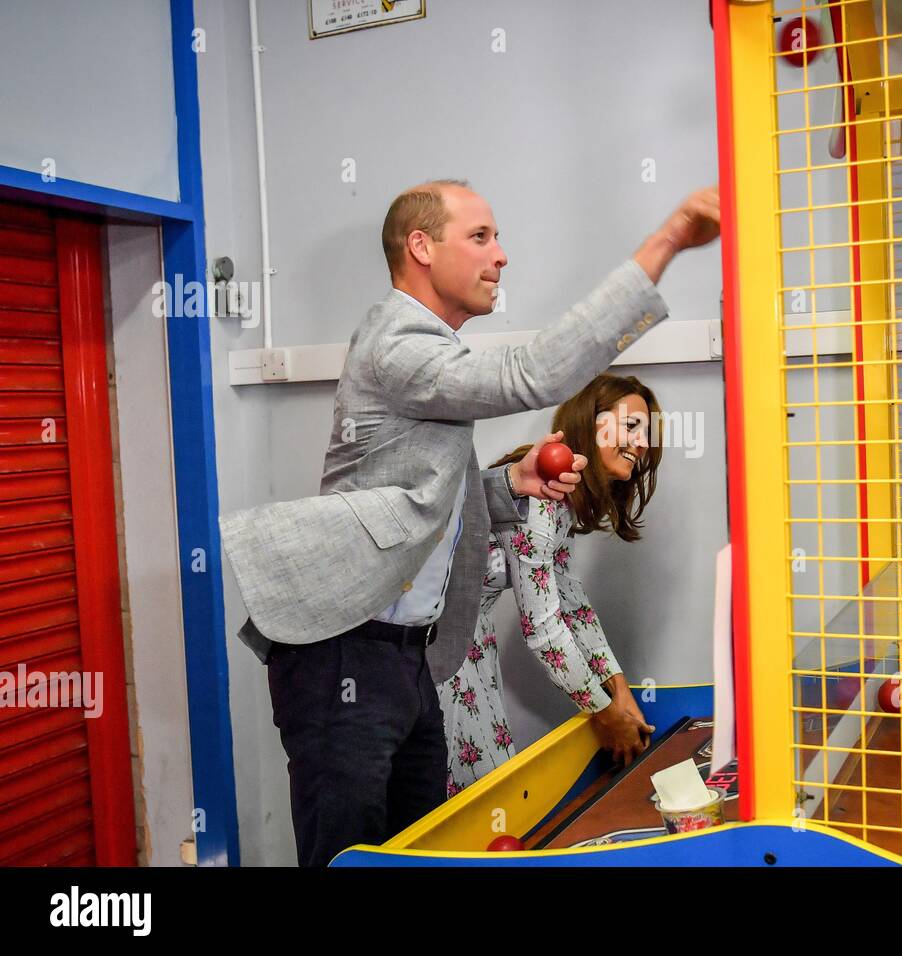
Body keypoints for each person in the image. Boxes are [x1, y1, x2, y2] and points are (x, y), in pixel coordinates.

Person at [219, 179, 720, 866]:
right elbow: (531, 375)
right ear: (420, 247)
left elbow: (414, 498)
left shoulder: (429, 357)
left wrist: (506, 483)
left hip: (410, 655)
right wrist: (667, 242)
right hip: (345, 651)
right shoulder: (399, 342)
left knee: (421, 851)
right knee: (350, 857)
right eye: (481, 237)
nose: (501, 256)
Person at [440, 374, 663, 795]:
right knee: (474, 796)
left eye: (646, 433)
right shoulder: (541, 495)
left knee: (480, 791)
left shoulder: (564, 499)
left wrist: (618, 689)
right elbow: (542, 628)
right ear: (589, 423)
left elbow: (572, 604)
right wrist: (604, 712)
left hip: (468, 641)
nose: (642, 443)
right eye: (631, 426)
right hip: (438, 648)